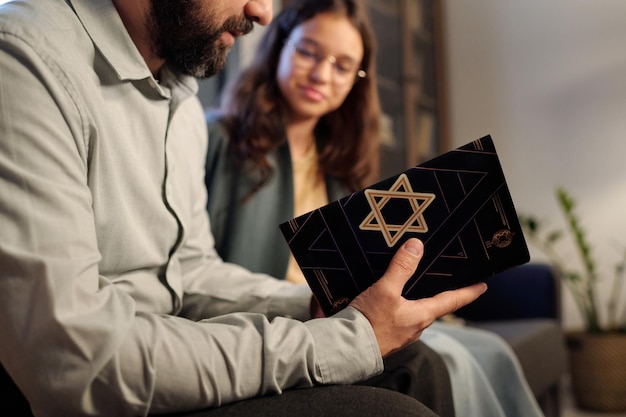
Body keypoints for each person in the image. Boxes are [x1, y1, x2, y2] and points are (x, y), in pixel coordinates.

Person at [0, 0, 488, 416]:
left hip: (164, 351)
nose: (262, 11)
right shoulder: (25, 59)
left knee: (416, 365)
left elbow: (188, 273)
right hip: (104, 390)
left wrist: (316, 304)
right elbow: (69, 359)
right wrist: (340, 341)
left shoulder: (180, 101)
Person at [204, 0, 545, 416]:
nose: (322, 74)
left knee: (490, 350)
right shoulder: (217, 139)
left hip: (352, 311)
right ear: (279, 45)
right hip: (280, 321)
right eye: (309, 52)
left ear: (356, 80)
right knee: (444, 362)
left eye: (343, 66)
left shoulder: (339, 161)